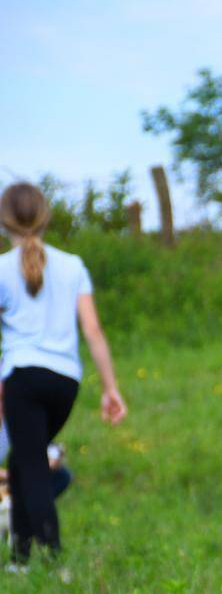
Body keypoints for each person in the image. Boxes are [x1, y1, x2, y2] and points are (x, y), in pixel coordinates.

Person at [0, 182, 126, 568]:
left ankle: (54, 560)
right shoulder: (73, 265)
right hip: (65, 383)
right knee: (24, 463)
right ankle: (19, 559)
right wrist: (110, 388)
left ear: (4, 222)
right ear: (46, 217)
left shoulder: (2, 268)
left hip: (23, 378)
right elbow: (93, 331)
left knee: (32, 464)